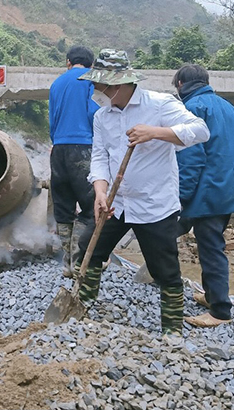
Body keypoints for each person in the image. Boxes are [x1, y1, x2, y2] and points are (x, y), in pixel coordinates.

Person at [75, 49, 209, 336]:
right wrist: (100, 190)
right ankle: (80, 307)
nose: (95, 91)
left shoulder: (159, 105)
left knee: (166, 270)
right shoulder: (102, 116)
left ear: (119, 84)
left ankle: (171, 333)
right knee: (89, 247)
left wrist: (155, 132)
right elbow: (99, 157)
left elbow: (200, 131)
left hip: (155, 204)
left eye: (99, 86)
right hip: (116, 202)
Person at [171, 64, 234, 328]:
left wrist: (180, 197)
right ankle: (212, 296)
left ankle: (220, 311)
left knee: (209, 248)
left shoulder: (192, 110)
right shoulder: (228, 108)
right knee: (212, 243)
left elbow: (191, 159)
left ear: (182, 84)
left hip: (205, 192)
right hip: (225, 190)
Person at [48, 46, 99, 278]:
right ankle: (79, 262)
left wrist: (57, 141)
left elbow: (53, 118)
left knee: (64, 207)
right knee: (90, 207)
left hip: (58, 149)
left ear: (68, 62)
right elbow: (95, 113)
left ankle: (66, 264)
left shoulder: (57, 83)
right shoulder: (91, 80)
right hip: (83, 148)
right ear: (91, 64)